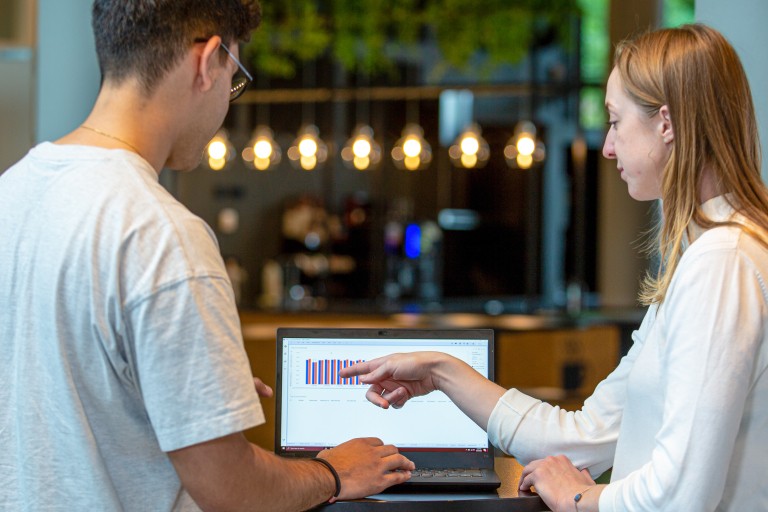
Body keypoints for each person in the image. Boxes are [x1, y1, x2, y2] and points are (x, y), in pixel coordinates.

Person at [0, 1, 413, 511]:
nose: (228, 101)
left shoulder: (11, 191)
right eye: (234, 79)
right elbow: (232, 492)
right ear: (208, 60)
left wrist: (179, 389)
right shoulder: (162, 234)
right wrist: (332, 471)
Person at [340, 23, 768, 511]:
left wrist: (579, 496)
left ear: (666, 124)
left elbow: (680, 496)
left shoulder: (721, 263)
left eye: (615, 120)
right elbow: (584, 435)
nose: (608, 147)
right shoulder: (713, 255)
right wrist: (442, 371)